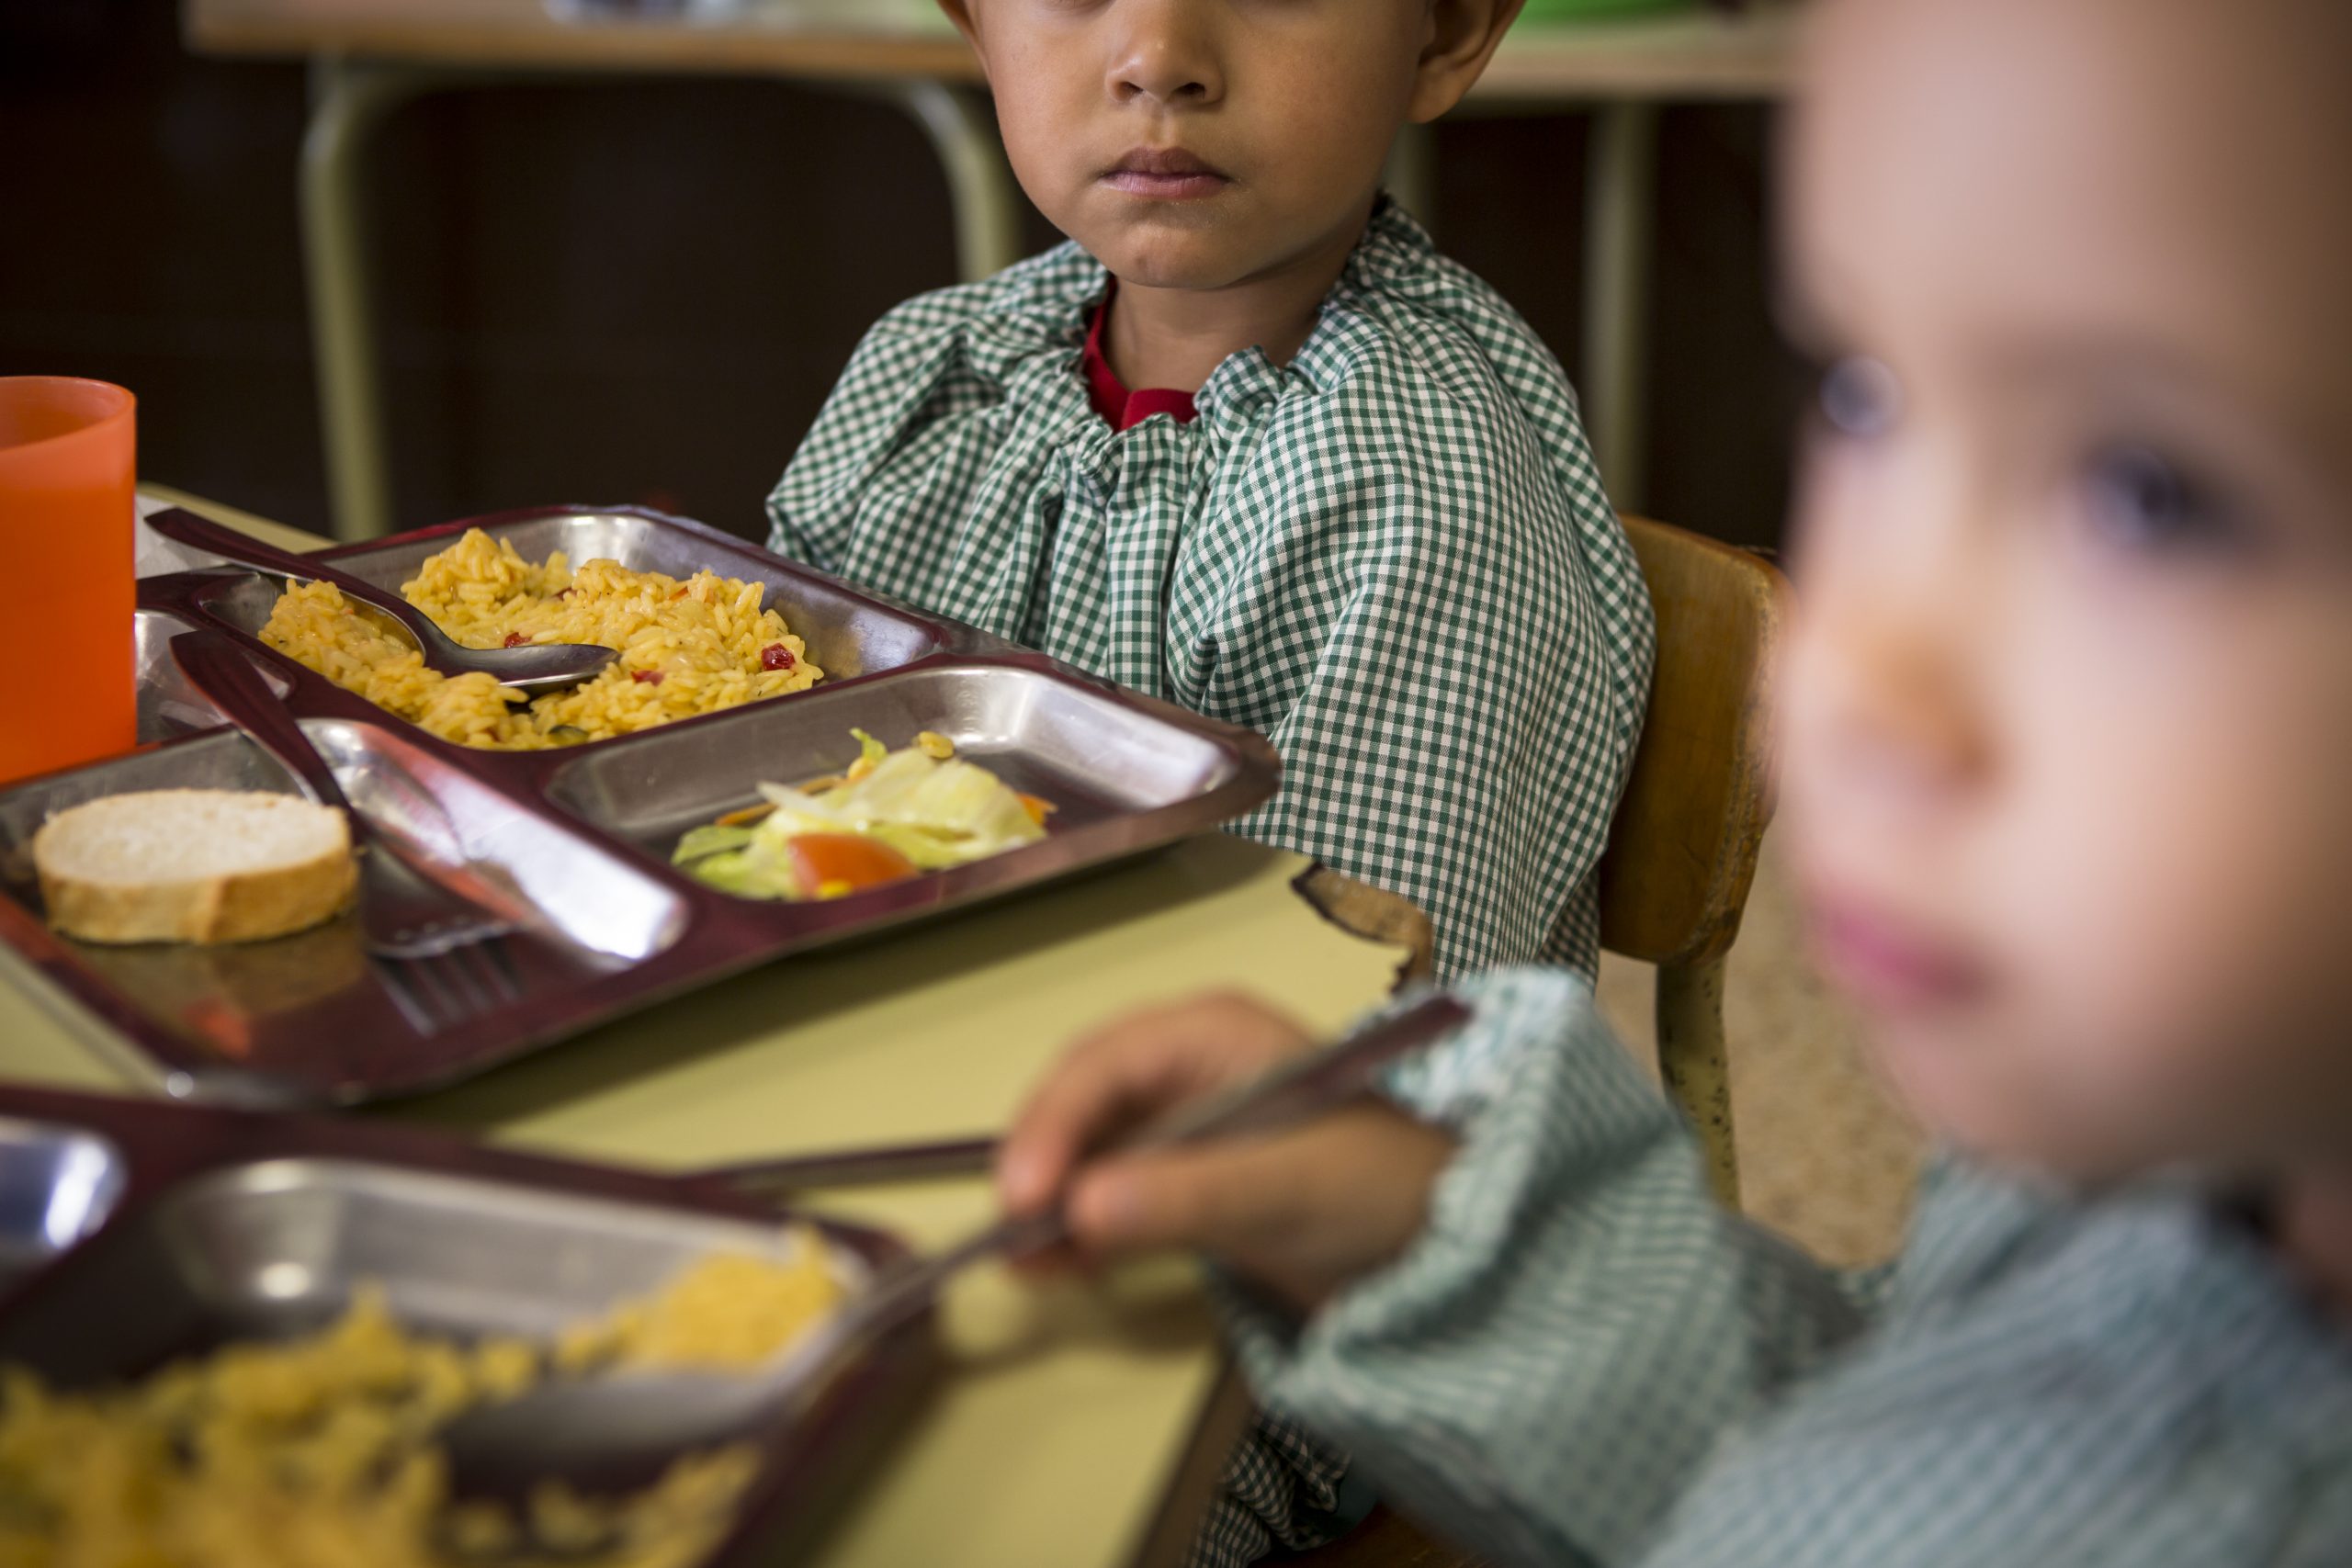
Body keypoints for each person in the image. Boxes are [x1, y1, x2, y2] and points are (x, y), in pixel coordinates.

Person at [992, 0, 2352, 1562]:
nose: (1848, 682)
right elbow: (1865, 1445)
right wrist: (1433, 1231)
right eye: (1860, 395)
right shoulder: (2138, 1179)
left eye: (2150, 493)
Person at [768, 0, 1655, 990]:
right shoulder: (929, 368)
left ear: (1445, 33)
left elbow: (1334, 997)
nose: (1157, 59)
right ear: (975, 24)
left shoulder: (1418, 493)